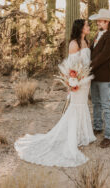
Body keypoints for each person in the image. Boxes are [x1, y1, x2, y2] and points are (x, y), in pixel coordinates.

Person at [14, 19, 96, 167]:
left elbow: (86, 63)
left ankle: (82, 135)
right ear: (81, 28)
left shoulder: (87, 42)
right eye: (86, 25)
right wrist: (72, 83)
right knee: (75, 107)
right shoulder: (74, 44)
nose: (89, 27)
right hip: (77, 82)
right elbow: (72, 66)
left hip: (86, 82)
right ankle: (71, 138)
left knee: (83, 106)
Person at [89, 8, 110, 148]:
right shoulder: (97, 35)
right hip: (94, 76)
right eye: (97, 20)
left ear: (107, 22)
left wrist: (87, 67)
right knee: (96, 103)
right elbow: (92, 53)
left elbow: (102, 57)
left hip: (105, 77)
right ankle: (98, 127)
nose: (98, 22)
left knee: (107, 105)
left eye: (100, 21)